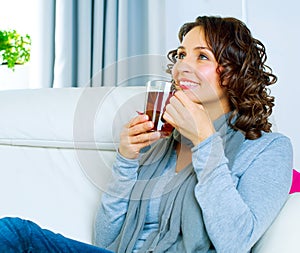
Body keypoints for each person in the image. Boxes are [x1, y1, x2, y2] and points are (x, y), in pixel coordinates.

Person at [0, 15, 293, 253]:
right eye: (181, 55)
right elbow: (105, 241)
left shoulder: (269, 150)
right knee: (14, 233)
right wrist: (126, 160)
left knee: (15, 234)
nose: (182, 67)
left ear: (232, 73)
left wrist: (206, 142)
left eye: (201, 56)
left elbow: (236, 244)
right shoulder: (162, 142)